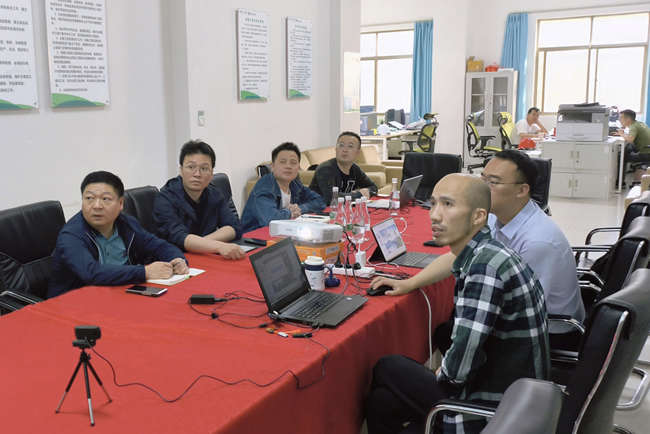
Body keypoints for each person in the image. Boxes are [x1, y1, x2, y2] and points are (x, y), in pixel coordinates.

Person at [365, 173, 550, 434]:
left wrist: (445, 371)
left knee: (387, 366)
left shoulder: (485, 269)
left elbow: (457, 373)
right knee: (381, 401)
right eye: (433, 203)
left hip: (501, 409)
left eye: (448, 204)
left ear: (478, 216)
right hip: (514, 386)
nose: (434, 215)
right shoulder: (489, 250)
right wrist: (409, 283)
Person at [372, 150, 584, 351]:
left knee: (450, 331)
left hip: (549, 334)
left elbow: (526, 310)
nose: (482, 188)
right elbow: (458, 255)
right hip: (520, 316)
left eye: (493, 183)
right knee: (449, 328)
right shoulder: (494, 216)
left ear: (521, 190)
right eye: (482, 179)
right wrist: (409, 283)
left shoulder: (537, 242)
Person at [48, 171, 189, 298]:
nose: (97, 206)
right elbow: (91, 273)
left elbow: (159, 246)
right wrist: (144, 272)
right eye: (89, 198)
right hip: (74, 303)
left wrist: (177, 260)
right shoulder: (71, 235)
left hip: (120, 294)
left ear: (120, 203)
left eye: (105, 199)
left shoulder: (128, 225)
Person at [151, 140, 245, 260]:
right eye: (191, 167)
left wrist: (203, 243)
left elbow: (235, 226)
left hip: (202, 255)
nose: (197, 174)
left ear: (211, 174)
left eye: (204, 168)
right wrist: (218, 246)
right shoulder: (165, 199)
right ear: (181, 171)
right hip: (170, 261)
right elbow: (180, 238)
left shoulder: (213, 193)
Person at [241, 142, 327, 232]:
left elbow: (320, 202)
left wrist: (299, 209)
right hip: (254, 236)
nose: (288, 166)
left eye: (293, 163)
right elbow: (269, 219)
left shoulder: (295, 185)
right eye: (283, 162)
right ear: (272, 166)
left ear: (298, 168)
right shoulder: (264, 187)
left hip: (282, 233)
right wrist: (289, 213)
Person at [309, 131, 378, 204]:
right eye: (341, 145)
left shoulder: (354, 168)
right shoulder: (326, 169)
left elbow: (373, 187)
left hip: (343, 209)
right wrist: (358, 195)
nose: (344, 150)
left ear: (358, 153)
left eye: (350, 146)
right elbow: (331, 198)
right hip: (319, 209)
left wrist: (360, 192)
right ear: (336, 149)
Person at [615, 109, 650, 182]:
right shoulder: (640, 123)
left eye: (621, 118)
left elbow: (630, 139)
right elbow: (631, 137)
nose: (620, 120)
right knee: (629, 147)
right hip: (648, 151)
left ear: (628, 120)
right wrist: (623, 134)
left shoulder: (633, 127)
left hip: (646, 154)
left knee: (622, 158)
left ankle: (620, 182)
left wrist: (621, 134)